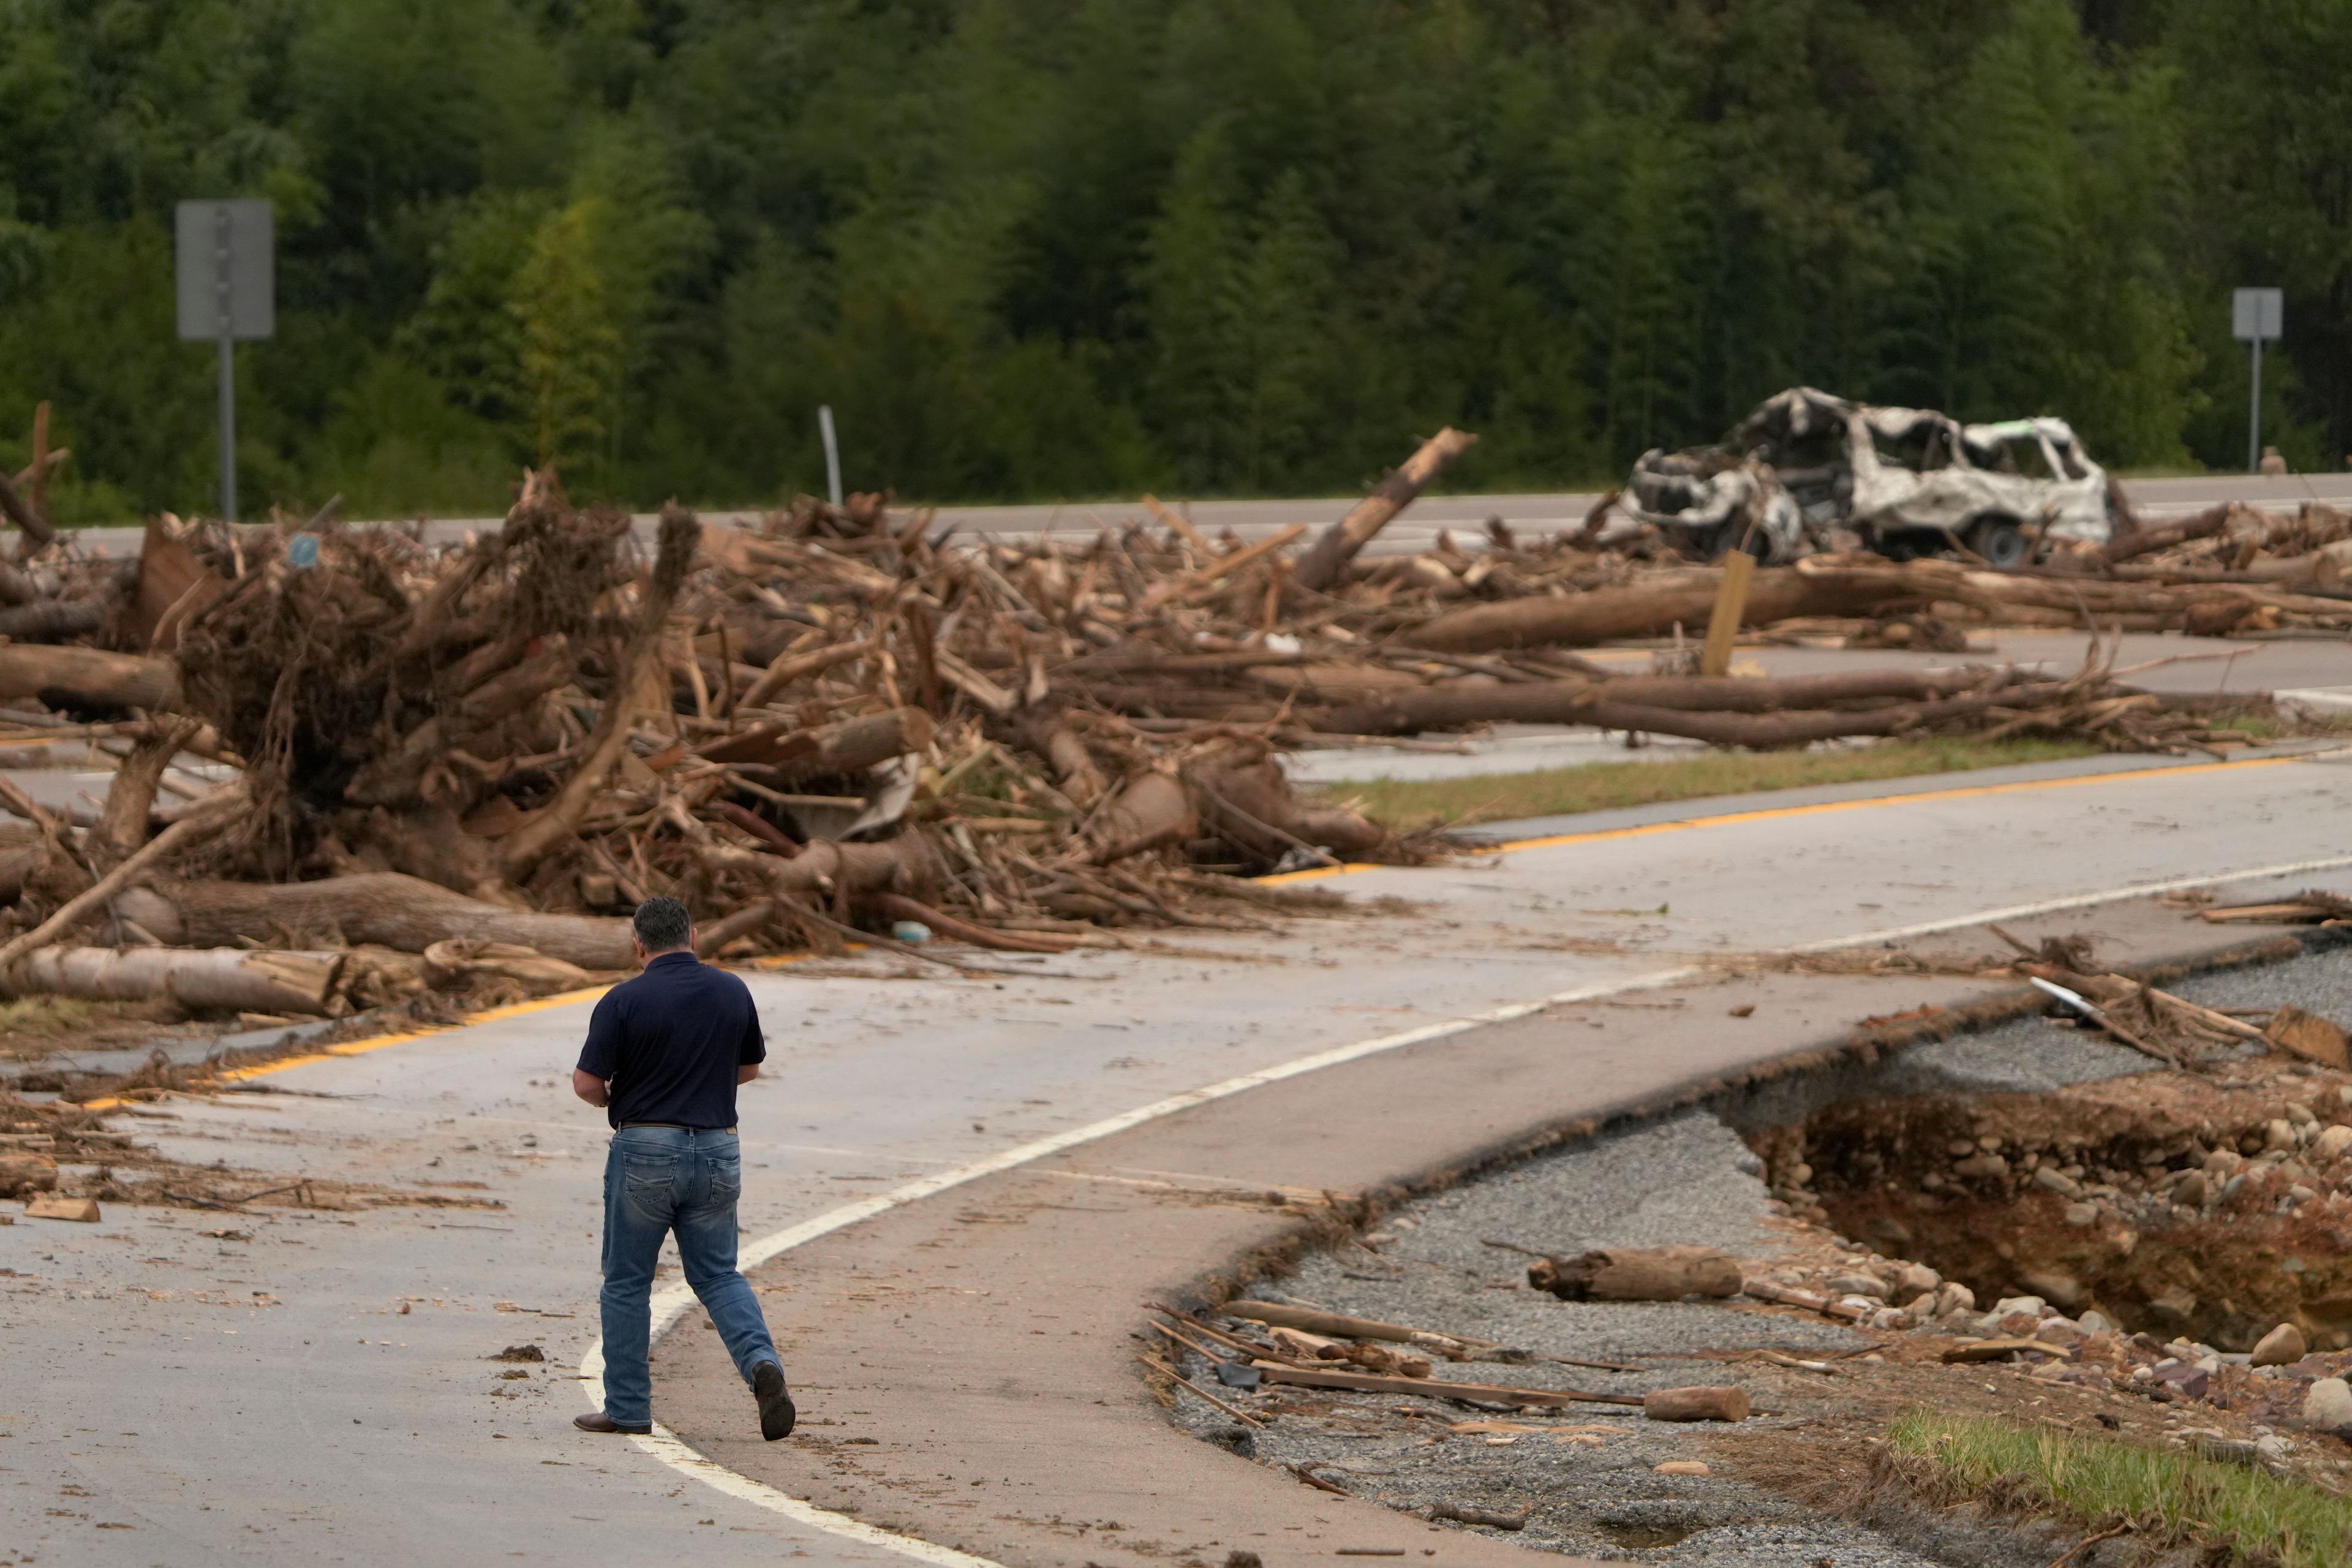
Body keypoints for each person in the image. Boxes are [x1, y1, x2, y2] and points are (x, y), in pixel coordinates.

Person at [571, 896, 794, 1440]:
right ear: (693, 937)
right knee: (718, 1274)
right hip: (718, 1148)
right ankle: (762, 1364)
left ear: (638, 946)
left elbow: (586, 1083)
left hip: (645, 1148)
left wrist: (618, 1098)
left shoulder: (623, 1000)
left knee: (627, 1282)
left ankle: (627, 1408)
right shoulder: (731, 990)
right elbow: (749, 1068)